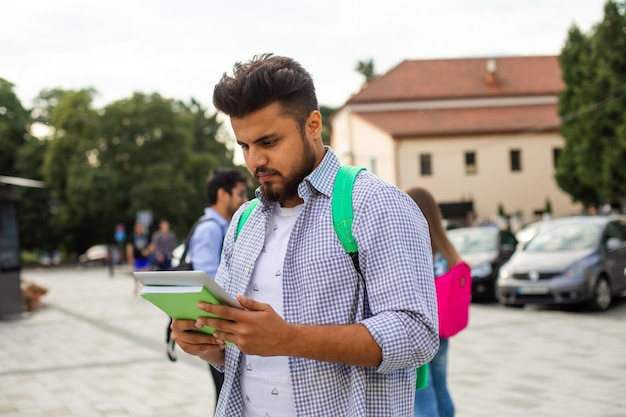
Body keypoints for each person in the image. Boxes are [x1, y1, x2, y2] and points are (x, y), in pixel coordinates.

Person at [170, 53, 439, 417]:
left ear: (313, 124)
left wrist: (288, 339)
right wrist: (204, 343)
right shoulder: (244, 221)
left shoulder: (377, 204)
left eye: (268, 142)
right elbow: (239, 351)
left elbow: (416, 333)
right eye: (245, 146)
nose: (254, 161)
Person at [167, 167, 248, 404]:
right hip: (217, 331)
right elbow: (208, 282)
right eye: (240, 193)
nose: (245, 199)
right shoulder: (210, 229)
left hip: (223, 328)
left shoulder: (223, 227)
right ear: (223, 194)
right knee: (226, 398)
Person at [406, 187, 463, 417]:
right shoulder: (445, 249)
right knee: (441, 385)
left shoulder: (416, 245)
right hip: (444, 329)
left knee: (422, 391)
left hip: (423, 329)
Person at [125, 222, 153, 295]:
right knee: (137, 274)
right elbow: (129, 248)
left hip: (145, 258)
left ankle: (144, 286)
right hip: (137, 258)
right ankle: (136, 286)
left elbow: (151, 246)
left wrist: (148, 251)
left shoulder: (147, 236)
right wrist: (130, 257)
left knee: (146, 273)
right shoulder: (132, 237)